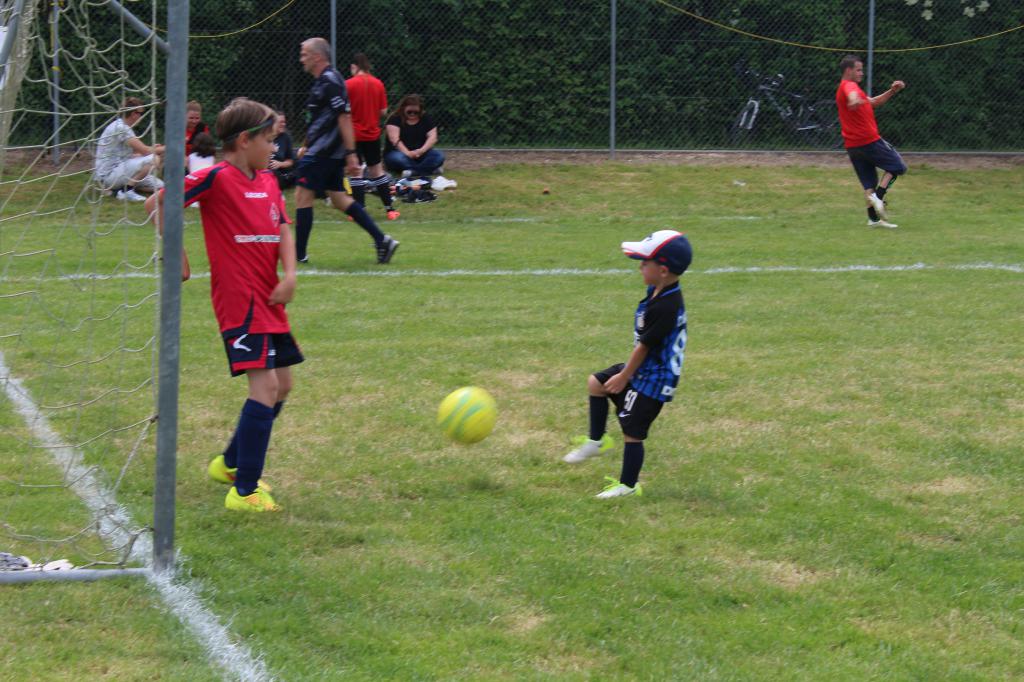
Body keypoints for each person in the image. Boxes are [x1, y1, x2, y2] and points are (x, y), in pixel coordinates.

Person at [145, 97, 301, 513]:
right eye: (269, 140)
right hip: (240, 303)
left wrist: (289, 275)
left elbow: (283, 227)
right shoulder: (215, 178)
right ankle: (244, 492)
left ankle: (230, 464)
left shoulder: (268, 181)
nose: (274, 148)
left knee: (283, 385)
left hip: (270, 300)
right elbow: (156, 203)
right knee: (265, 388)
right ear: (245, 140)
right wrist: (176, 253)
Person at [563, 230, 691, 499]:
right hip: (645, 368)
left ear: (663, 270)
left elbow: (645, 346)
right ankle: (596, 441)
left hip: (655, 378)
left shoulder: (666, 307)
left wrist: (624, 376)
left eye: (645, 262)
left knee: (633, 431)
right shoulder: (658, 290)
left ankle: (628, 486)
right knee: (596, 383)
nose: (640, 266)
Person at [294, 37, 399, 264]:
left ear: (317, 56)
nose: (301, 59)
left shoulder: (330, 80)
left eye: (304, 54)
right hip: (324, 151)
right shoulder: (324, 80)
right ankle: (382, 240)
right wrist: (306, 145)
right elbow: (320, 121)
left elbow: (344, 116)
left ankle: (298, 255)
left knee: (302, 196)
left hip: (323, 153)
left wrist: (351, 154)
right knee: (339, 199)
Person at [836, 55, 907, 229]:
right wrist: (854, 100)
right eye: (858, 70)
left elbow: (874, 102)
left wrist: (892, 91)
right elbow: (852, 97)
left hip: (853, 146)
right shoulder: (850, 86)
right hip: (868, 141)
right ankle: (879, 197)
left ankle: (873, 219)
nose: (862, 73)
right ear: (848, 70)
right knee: (898, 167)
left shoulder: (846, 88)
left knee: (869, 182)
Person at [346, 52, 399, 221]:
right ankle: (390, 210)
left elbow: (343, 111)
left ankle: (358, 211)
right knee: (377, 171)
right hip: (372, 135)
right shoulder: (378, 84)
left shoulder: (348, 84)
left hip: (353, 135)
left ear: (354, 67)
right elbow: (383, 111)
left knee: (356, 172)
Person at [94, 97, 165, 201]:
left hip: (119, 169)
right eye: (140, 113)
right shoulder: (121, 128)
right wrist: (168, 148)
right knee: (154, 159)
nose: (141, 117)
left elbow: (131, 155)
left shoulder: (123, 126)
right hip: (109, 175)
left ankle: (121, 189)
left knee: (161, 186)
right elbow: (145, 151)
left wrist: (154, 149)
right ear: (133, 114)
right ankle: (126, 190)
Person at [384, 94, 455, 191]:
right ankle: (429, 170)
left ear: (420, 110)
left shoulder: (426, 118)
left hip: (420, 153)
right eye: (409, 112)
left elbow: (433, 137)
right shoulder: (394, 118)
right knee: (398, 158)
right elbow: (394, 139)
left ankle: (413, 172)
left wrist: (421, 150)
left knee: (439, 155)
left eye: (416, 112)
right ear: (403, 108)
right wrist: (408, 153)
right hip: (399, 152)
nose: (412, 114)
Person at [268, 111, 297, 190]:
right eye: (280, 122)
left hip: (280, 172)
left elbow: (290, 161)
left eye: (284, 122)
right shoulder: (264, 135)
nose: (283, 124)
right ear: (273, 123)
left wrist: (280, 164)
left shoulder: (285, 137)